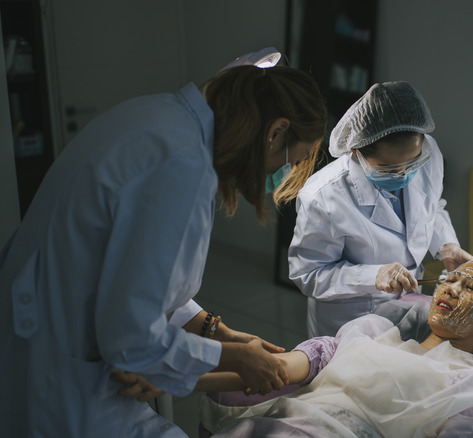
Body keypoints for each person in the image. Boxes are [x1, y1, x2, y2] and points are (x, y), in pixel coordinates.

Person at [0, 51, 328, 437]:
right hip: (60, 380)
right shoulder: (182, 166)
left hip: (43, 339)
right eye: (294, 160)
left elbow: (135, 274)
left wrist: (215, 330)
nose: (282, 174)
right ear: (275, 132)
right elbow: (130, 339)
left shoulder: (160, 118)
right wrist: (237, 358)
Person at [196, 255, 473, 437]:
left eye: (471, 287)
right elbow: (276, 370)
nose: (451, 289)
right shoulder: (372, 332)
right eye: (449, 279)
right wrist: (174, 375)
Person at [288, 81, 473, 337]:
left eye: (412, 164)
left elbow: (433, 207)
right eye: (387, 168)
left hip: (408, 306)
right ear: (356, 152)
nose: (403, 174)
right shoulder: (323, 196)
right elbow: (309, 274)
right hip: (351, 320)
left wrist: (446, 246)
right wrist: (373, 276)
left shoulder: (429, 157)